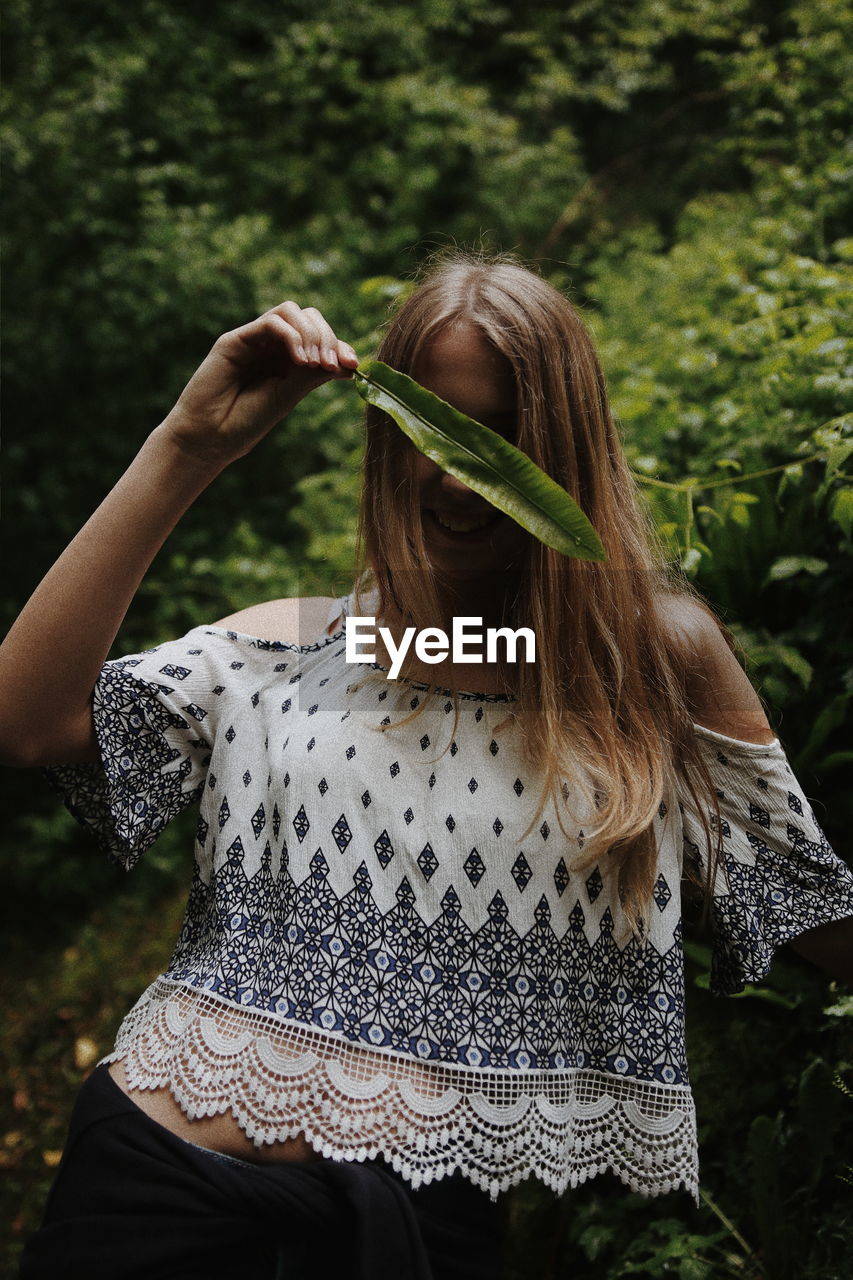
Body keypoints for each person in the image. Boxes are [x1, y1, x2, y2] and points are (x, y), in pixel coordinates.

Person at [4, 253, 852, 1279]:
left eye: (492, 436)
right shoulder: (297, 647)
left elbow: (800, 900)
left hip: (422, 1223)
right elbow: (28, 720)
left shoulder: (641, 661)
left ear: (562, 453)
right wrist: (188, 445)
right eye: (426, 428)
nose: (452, 473)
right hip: (157, 1183)